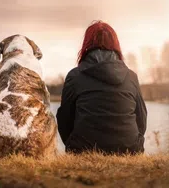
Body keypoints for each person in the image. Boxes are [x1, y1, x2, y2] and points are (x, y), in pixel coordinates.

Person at [56, 21, 147, 155]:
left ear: (86, 45)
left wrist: (73, 145)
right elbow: (142, 119)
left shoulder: (74, 76)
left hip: (83, 150)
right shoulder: (131, 76)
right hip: (129, 150)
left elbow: (64, 119)